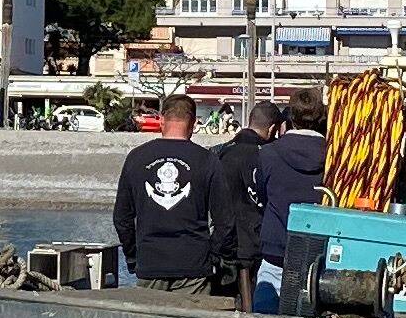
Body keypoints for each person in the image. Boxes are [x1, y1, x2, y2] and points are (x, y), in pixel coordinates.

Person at [110, 94, 220, 285]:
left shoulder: (136, 158)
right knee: (191, 316)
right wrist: (213, 257)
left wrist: (134, 257)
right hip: (193, 265)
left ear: (161, 119)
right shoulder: (207, 160)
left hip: (150, 262)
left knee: (151, 316)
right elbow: (225, 221)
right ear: (193, 122)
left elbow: (122, 218)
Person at [242, 91, 331, 306]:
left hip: (276, 250)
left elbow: (261, 196)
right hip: (321, 256)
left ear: (291, 118)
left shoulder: (268, 153)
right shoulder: (334, 157)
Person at [205, 93, 283, 289]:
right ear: (273, 129)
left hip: (225, 245)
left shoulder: (219, 152)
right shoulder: (269, 156)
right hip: (258, 245)